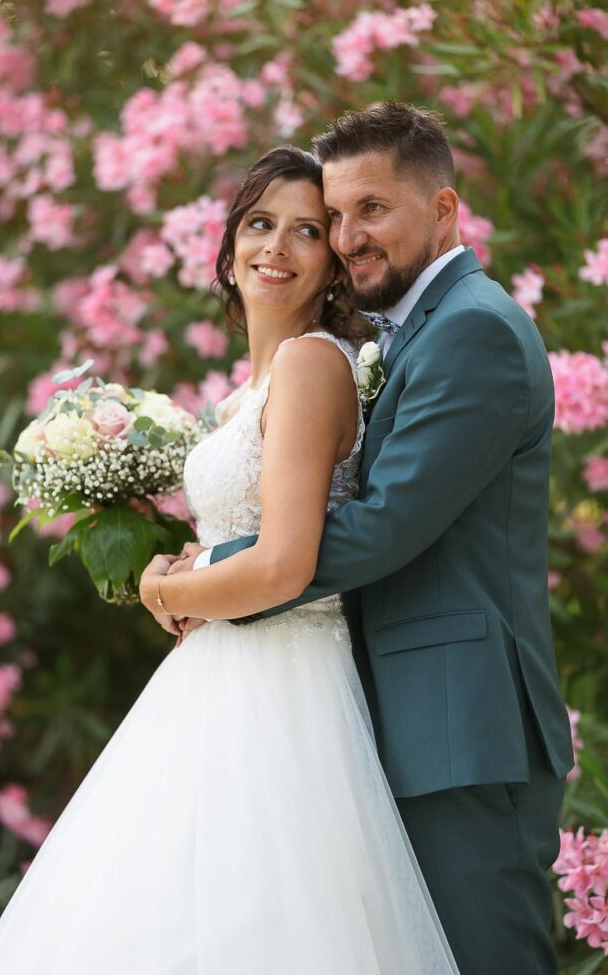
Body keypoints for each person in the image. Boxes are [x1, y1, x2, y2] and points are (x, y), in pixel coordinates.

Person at [0, 146, 459, 975]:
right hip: (222, 677)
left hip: (283, 682)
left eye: (307, 231)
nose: (277, 247)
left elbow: (283, 567)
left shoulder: (310, 365)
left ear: (332, 264)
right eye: (260, 224)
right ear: (230, 245)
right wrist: (190, 565)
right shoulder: (248, 389)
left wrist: (170, 587)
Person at [169, 104, 575, 975]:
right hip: (394, 719)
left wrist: (209, 573)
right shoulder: (415, 332)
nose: (351, 236)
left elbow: (385, 524)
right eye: (339, 215)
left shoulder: (474, 331)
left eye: (373, 210)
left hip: (465, 730)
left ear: (444, 210)